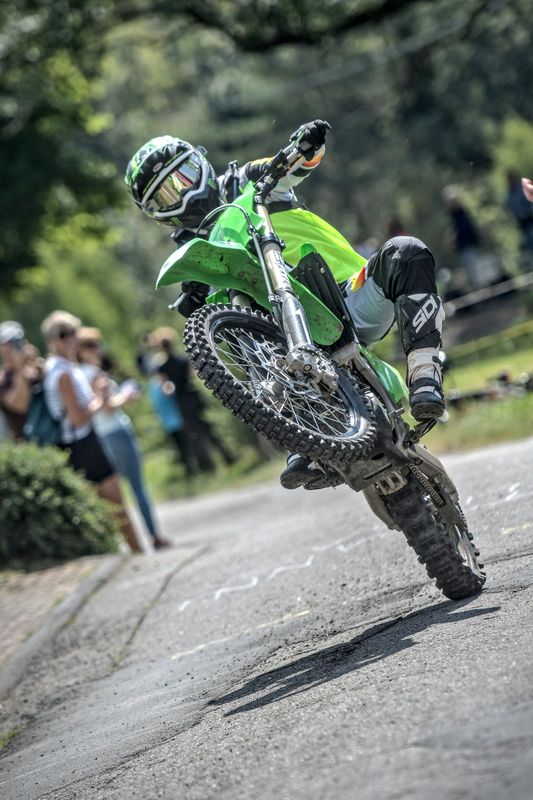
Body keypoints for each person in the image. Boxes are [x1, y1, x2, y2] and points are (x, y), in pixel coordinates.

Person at [124, 121, 446, 487]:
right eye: (168, 194)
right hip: (282, 341)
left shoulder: (247, 179)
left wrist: (305, 145)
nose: (183, 192)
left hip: (347, 296)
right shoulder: (191, 258)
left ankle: (425, 376)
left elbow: (293, 165)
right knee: (235, 331)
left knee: (406, 252)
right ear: (157, 214)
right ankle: (300, 439)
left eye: (184, 175)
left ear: (200, 162)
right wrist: (193, 296)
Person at [41, 311, 142, 553]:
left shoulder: (64, 366)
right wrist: (99, 398)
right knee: (117, 505)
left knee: (107, 509)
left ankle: (129, 553)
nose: (70, 338)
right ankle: (139, 555)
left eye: (73, 332)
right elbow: (77, 418)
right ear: (51, 341)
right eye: (63, 334)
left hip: (80, 443)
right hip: (82, 443)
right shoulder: (63, 372)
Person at [77, 327, 170, 550]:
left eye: (97, 344)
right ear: (81, 351)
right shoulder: (94, 373)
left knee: (113, 493)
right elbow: (108, 406)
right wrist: (126, 397)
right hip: (116, 432)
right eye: (91, 346)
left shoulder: (78, 375)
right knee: (137, 487)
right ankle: (153, 535)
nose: (97, 349)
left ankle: (124, 541)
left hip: (100, 436)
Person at [150, 327, 235, 471]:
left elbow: (165, 388)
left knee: (193, 434)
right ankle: (227, 456)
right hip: (193, 395)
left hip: (181, 401)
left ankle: (206, 466)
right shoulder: (183, 360)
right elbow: (193, 376)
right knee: (208, 428)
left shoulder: (162, 367)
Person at [0, 321, 38, 439]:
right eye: (8, 343)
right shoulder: (2, 378)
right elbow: (20, 406)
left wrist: (35, 361)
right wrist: (20, 369)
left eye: (17, 341)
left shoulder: (33, 369)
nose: (13, 347)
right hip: (23, 443)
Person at [505, 170, 533, 252]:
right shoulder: (509, 192)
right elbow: (508, 206)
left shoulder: (523, 189)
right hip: (521, 221)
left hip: (530, 217)